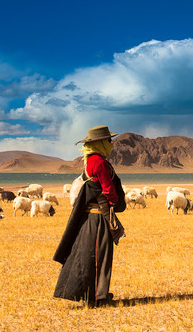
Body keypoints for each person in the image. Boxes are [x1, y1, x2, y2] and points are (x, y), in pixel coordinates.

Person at [53, 125, 126, 307]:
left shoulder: (89, 161)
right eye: (108, 141)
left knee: (88, 255)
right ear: (100, 143)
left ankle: (92, 294)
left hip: (88, 217)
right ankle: (98, 297)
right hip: (98, 218)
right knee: (101, 254)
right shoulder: (100, 162)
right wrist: (114, 202)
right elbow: (108, 189)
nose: (111, 144)